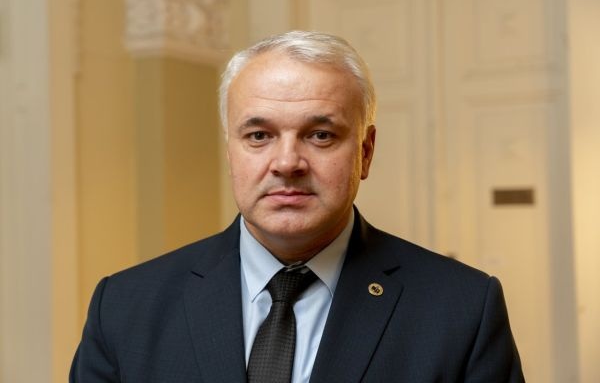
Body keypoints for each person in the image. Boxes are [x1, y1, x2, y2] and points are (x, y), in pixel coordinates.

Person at [70, 31, 525, 382]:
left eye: (320, 135)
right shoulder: (124, 308)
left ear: (365, 152)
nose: (287, 163)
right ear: (231, 152)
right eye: (259, 136)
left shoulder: (462, 310)